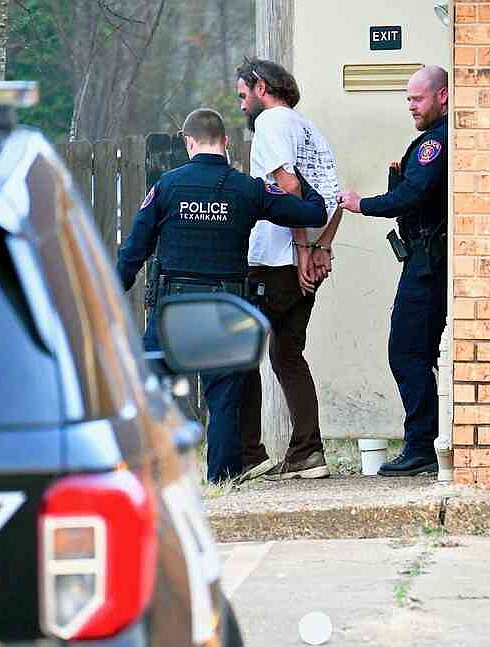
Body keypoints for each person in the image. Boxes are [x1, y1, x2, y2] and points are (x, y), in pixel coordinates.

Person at [116, 108, 328, 483]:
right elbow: (312, 213)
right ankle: (220, 482)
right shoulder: (247, 189)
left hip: (172, 313)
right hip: (225, 311)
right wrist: (295, 180)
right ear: (226, 142)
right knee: (225, 402)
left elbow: (135, 249)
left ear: (188, 142)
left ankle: (150, 479)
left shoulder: (167, 186)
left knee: (147, 390)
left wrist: (112, 293)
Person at [234, 57, 343, 482]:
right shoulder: (310, 130)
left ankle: (249, 453)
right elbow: (334, 196)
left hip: (275, 262)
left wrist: (300, 247)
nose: (243, 106)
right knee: (287, 354)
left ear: (261, 86)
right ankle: (306, 451)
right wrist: (323, 247)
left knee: (241, 353)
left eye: (244, 95)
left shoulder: (272, 124)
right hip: (306, 261)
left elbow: (289, 188)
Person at [337, 65, 448, 477]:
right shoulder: (436, 139)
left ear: (442, 96)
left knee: (406, 352)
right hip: (427, 260)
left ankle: (421, 446)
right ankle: (429, 441)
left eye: (417, 99)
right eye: (408, 99)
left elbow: (412, 196)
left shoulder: (435, 144)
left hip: (427, 266)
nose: (411, 107)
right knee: (417, 353)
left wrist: (363, 203)